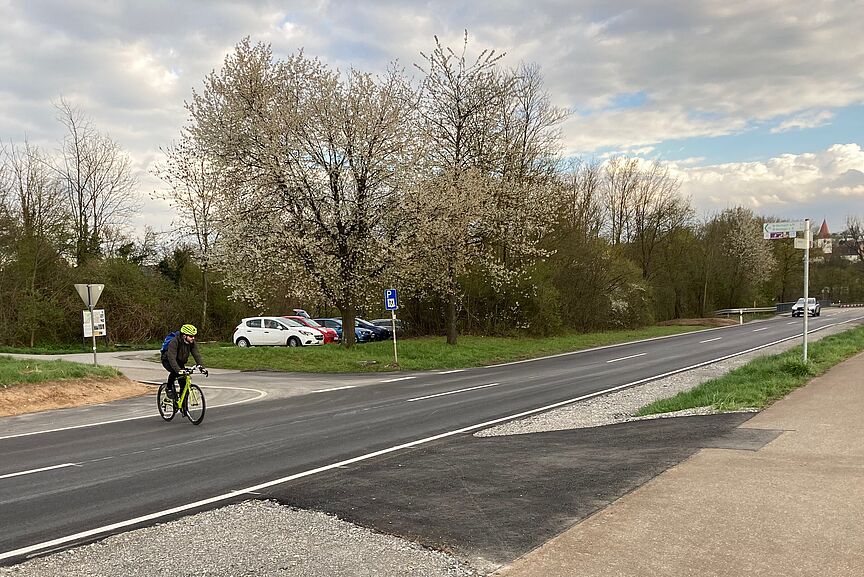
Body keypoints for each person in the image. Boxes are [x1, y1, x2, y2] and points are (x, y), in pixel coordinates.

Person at [161, 324, 205, 399]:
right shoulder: (174, 342)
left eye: (194, 336)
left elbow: (196, 354)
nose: (193, 338)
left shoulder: (192, 343)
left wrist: (202, 367)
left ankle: (184, 408)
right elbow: (172, 358)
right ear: (184, 336)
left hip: (180, 362)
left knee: (184, 384)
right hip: (168, 360)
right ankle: (169, 388)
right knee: (175, 372)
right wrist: (178, 370)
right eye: (191, 336)